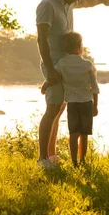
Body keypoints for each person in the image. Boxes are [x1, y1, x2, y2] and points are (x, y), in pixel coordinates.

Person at [35, 0, 109, 168]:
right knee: (52, 108)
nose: (77, 0)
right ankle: (42, 159)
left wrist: (102, 1)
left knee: (60, 109)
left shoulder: (69, 2)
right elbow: (41, 39)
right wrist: (51, 71)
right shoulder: (47, 5)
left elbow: (86, 1)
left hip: (68, 63)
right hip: (54, 62)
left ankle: (51, 155)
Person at [41, 31, 99, 167]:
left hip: (72, 103)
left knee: (73, 133)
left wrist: (45, 85)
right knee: (84, 133)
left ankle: (74, 162)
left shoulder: (61, 63)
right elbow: (95, 88)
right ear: (79, 47)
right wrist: (95, 106)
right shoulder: (87, 65)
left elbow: (54, 76)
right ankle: (82, 160)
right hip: (86, 103)